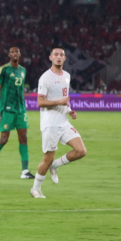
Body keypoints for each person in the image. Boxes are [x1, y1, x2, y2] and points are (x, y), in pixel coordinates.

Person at [30, 46, 87, 198]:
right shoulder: (45, 78)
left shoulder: (67, 76)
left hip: (64, 122)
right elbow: (40, 102)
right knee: (47, 157)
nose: (59, 57)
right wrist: (60, 102)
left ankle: (55, 165)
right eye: (56, 54)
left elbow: (65, 99)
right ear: (50, 58)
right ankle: (35, 188)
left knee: (81, 151)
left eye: (62, 54)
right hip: (50, 124)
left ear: (65, 58)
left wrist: (69, 110)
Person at [0, 46, 35, 179]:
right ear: (9, 55)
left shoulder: (23, 70)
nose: (15, 54)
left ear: (20, 55)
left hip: (20, 109)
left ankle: (25, 171)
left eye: (17, 52)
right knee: (4, 139)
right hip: (7, 109)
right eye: (12, 52)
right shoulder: (4, 70)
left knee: (23, 137)